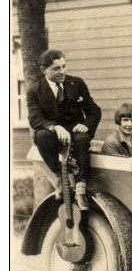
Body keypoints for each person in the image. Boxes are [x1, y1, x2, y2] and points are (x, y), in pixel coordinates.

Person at [27, 49, 101, 209]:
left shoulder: (77, 84)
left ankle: (81, 187)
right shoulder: (35, 90)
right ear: (43, 70)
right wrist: (55, 127)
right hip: (52, 133)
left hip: (75, 130)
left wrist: (86, 125)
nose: (62, 71)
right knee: (41, 136)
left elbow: (94, 111)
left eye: (63, 66)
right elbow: (35, 118)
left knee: (82, 139)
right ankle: (60, 177)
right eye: (56, 68)